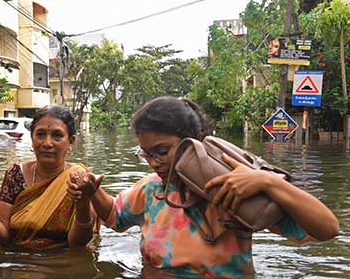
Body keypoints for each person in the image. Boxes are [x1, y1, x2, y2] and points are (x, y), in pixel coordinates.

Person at [68, 96, 339, 277]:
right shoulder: (152, 190)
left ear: (195, 142)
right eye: (146, 154)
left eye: (162, 151)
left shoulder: (235, 190)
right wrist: (93, 192)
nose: (154, 163)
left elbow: (327, 229)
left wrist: (268, 181)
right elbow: (115, 218)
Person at [0, 105, 96, 249]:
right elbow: (3, 236)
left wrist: (83, 204)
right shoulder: (16, 175)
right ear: (32, 138)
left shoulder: (80, 180)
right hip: (19, 261)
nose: (47, 143)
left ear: (71, 141)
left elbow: (78, 243)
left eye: (57, 135)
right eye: (40, 134)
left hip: (62, 262)